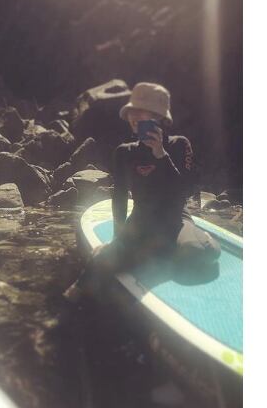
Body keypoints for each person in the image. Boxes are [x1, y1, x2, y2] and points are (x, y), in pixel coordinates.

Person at [64, 82, 221, 303]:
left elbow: (182, 192)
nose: (134, 116)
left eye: (141, 111)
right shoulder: (124, 152)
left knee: (196, 253)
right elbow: (119, 198)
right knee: (93, 271)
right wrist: (117, 239)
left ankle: (196, 241)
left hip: (175, 220)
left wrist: (161, 155)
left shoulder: (179, 145)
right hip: (141, 221)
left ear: (159, 117)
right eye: (131, 111)